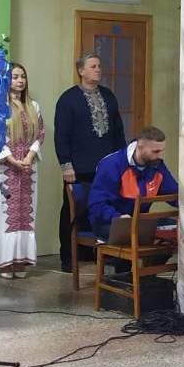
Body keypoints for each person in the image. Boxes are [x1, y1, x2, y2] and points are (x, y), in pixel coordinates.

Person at [54, 53, 126, 272]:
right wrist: (66, 165)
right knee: (72, 212)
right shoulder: (68, 99)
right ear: (81, 71)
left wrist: (122, 162)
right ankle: (68, 258)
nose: (98, 69)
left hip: (106, 168)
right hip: (79, 169)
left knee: (106, 209)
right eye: (93, 66)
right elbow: (61, 135)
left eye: (99, 65)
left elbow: (118, 132)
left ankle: (105, 253)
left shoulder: (109, 96)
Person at [0, 62, 42, 278]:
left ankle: (21, 261)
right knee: (4, 216)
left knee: (26, 216)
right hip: (5, 168)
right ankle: (5, 262)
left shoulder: (34, 106)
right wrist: (11, 159)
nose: (20, 81)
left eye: (23, 76)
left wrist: (29, 157)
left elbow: (40, 134)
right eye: (15, 77)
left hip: (28, 168)